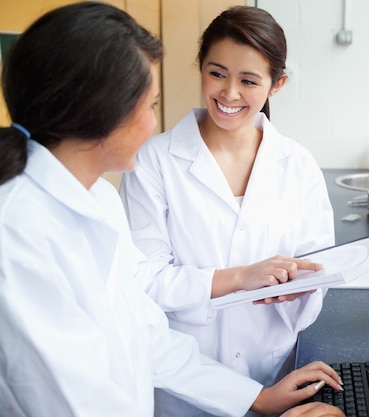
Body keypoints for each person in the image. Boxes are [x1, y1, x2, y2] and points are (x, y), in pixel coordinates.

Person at [0, 3, 344, 417]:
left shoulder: (98, 201)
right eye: (149, 105)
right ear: (99, 112)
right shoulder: (16, 234)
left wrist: (257, 398)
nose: (153, 122)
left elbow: (148, 336)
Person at [119, 6, 335, 417]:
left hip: (274, 373)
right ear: (201, 68)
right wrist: (238, 278)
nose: (229, 93)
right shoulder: (155, 161)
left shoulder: (298, 164)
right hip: (182, 391)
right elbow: (142, 280)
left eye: (249, 80)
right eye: (217, 73)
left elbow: (319, 264)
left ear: (277, 85)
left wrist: (302, 287)